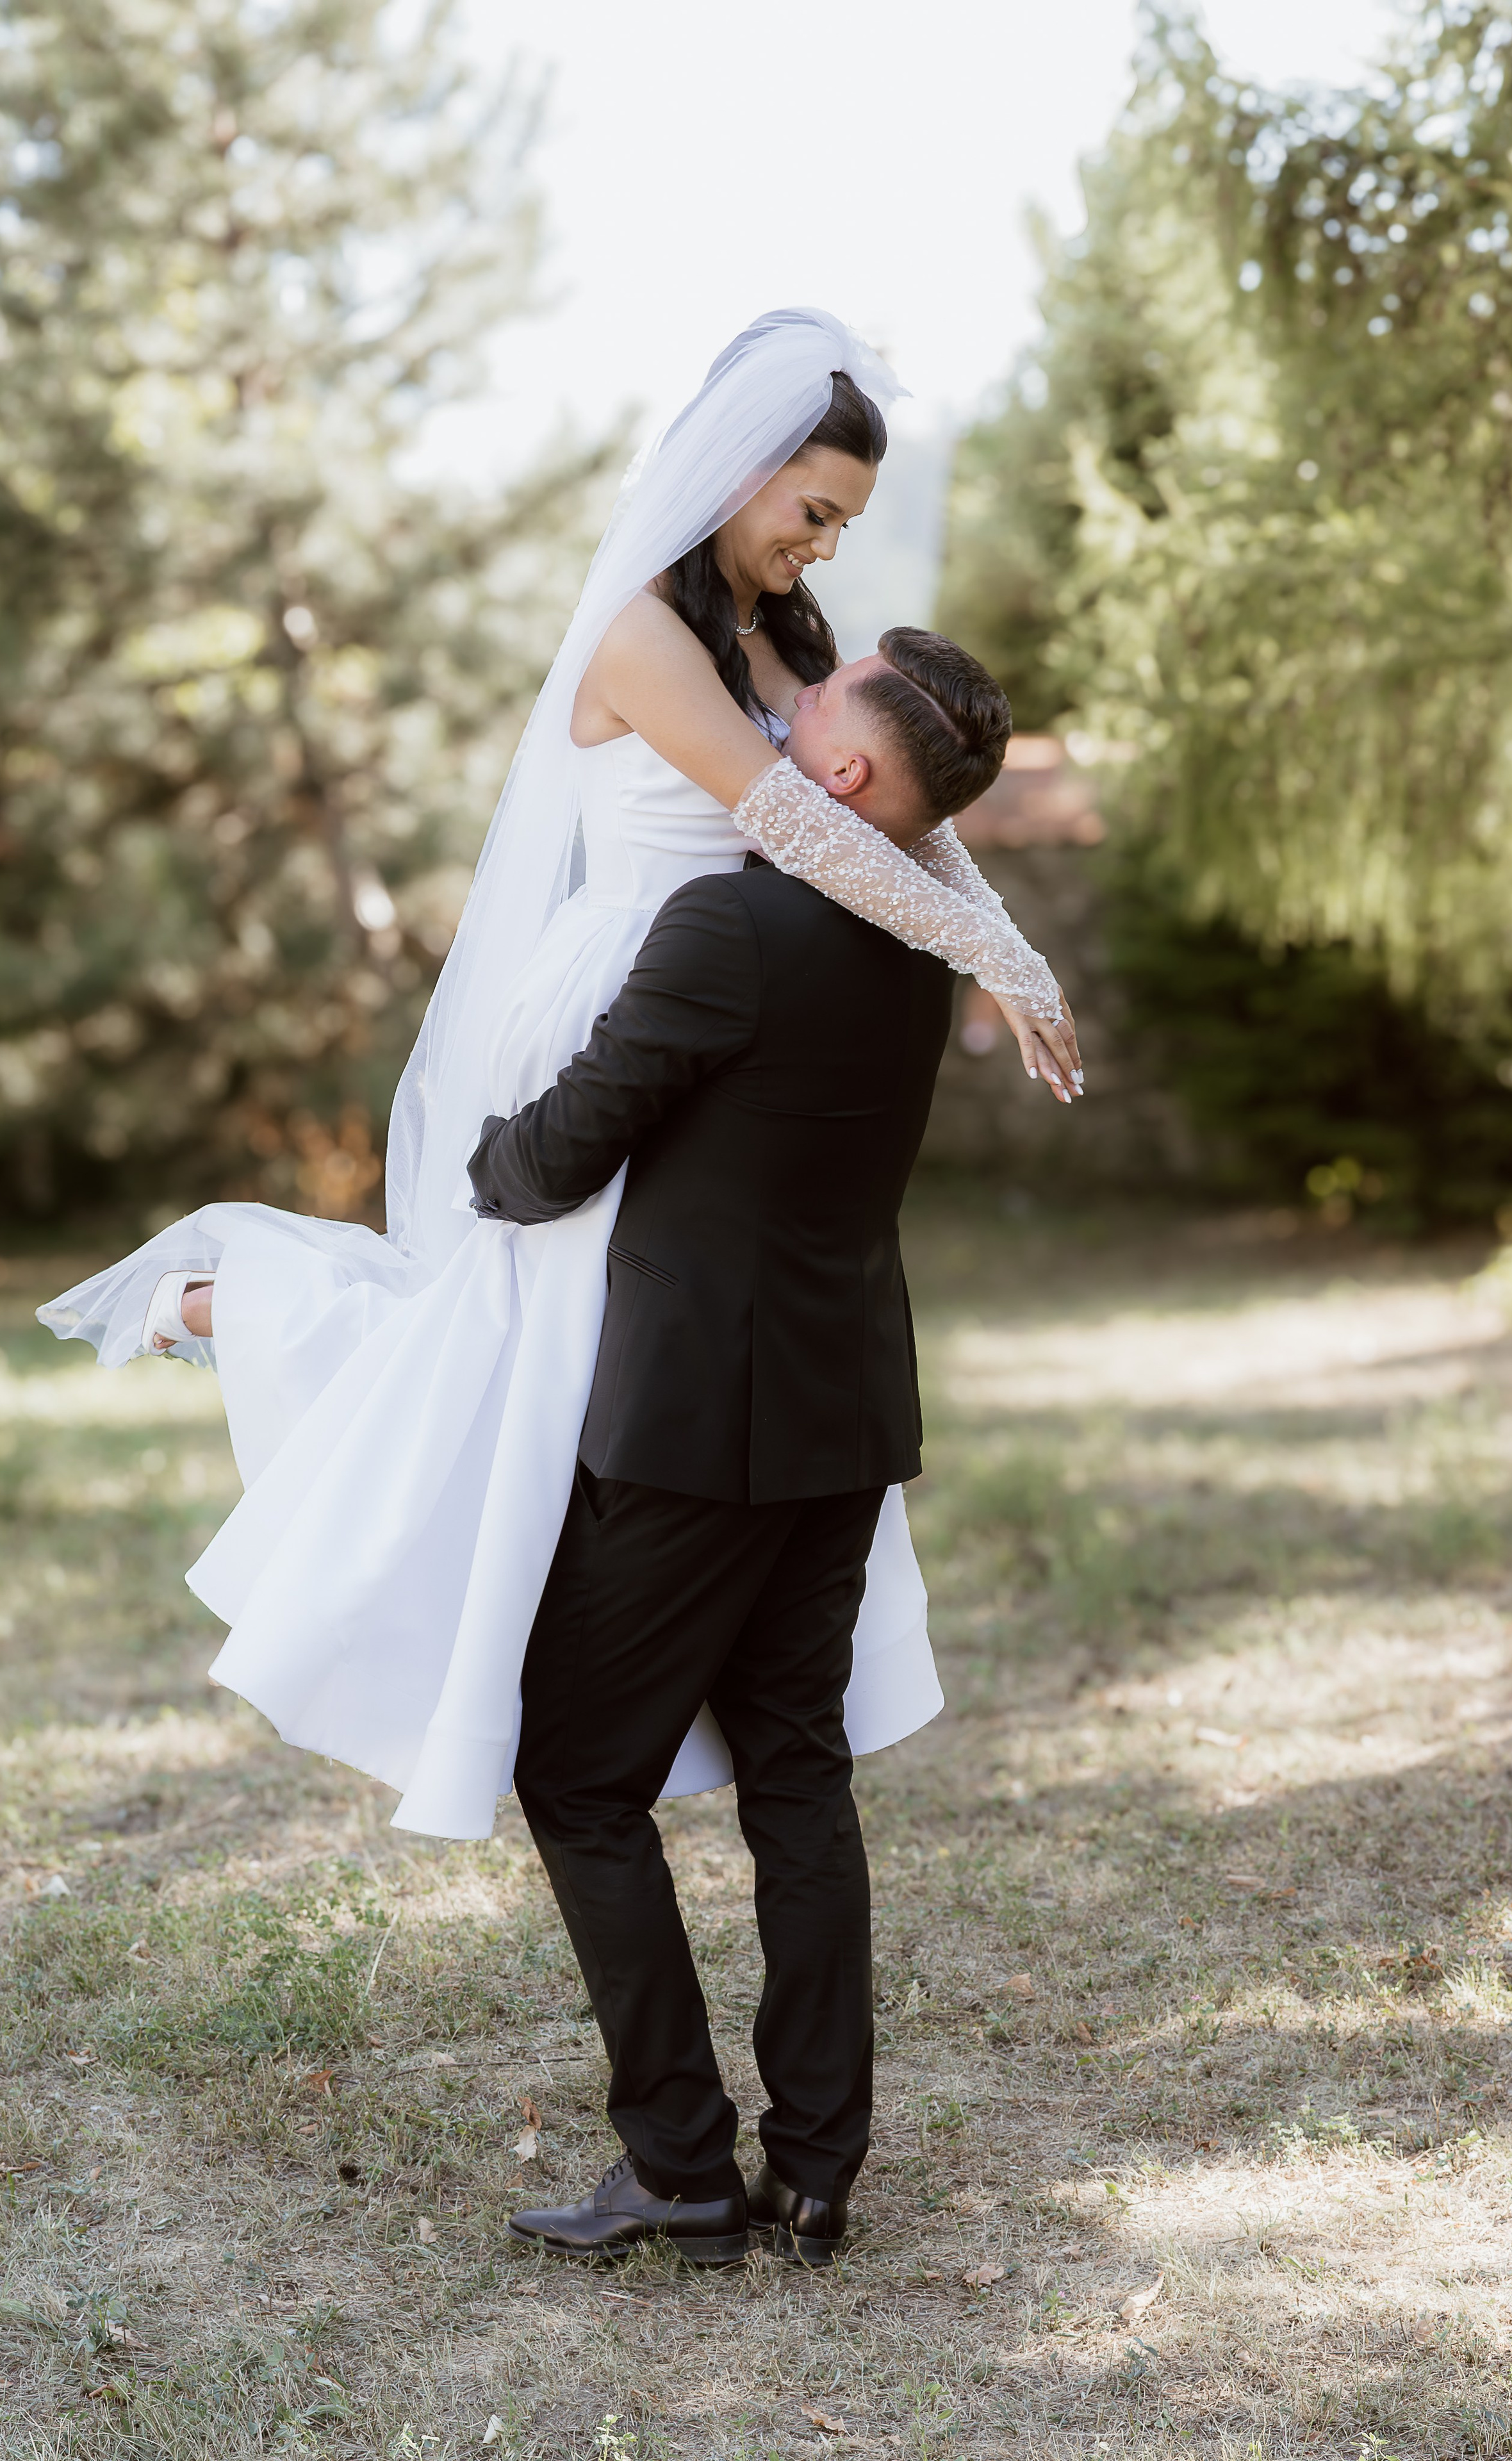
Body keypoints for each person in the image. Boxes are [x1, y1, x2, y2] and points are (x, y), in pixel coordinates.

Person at [38, 309, 1078, 1846]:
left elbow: (896, 824)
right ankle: (235, 1311)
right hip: (617, 995)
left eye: (845, 525)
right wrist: (989, 963)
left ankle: (629, 1660)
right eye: (812, 514)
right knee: (516, 1348)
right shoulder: (639, 636)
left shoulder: (793, 643)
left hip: (723, 996)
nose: (825, 552)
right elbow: (795, 827)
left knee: (597, 1351)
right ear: (738, 472)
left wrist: (1012, 944)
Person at [470, 629, 1010, 2269]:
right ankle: (820, 2166)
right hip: (843, 1416)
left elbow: (557, 1156)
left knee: (574, 1772)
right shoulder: (915, 947)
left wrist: (471, 1156)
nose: (775, 715)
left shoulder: (731, 923)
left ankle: (682, 2164)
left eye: (806, 709)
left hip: (699, 1428)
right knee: (795, 1772)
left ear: (840, 780)